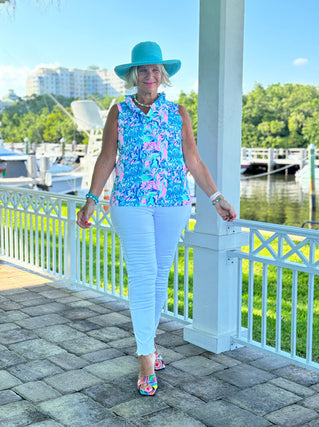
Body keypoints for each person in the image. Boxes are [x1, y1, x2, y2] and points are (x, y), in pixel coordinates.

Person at [77, 41, 236, 396]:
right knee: (142, 274)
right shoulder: (118, 111)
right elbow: (106, 158)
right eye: (143, 70)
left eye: (155, 71)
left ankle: (148, 342)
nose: (150, 76)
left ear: (162, 76)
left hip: (173, 203)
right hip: (130, 202)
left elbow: (192, 160)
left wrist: (216, 197)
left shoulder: (179, 112)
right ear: (134, 76)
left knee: (159, 275)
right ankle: (145, 356)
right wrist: (90, 200)